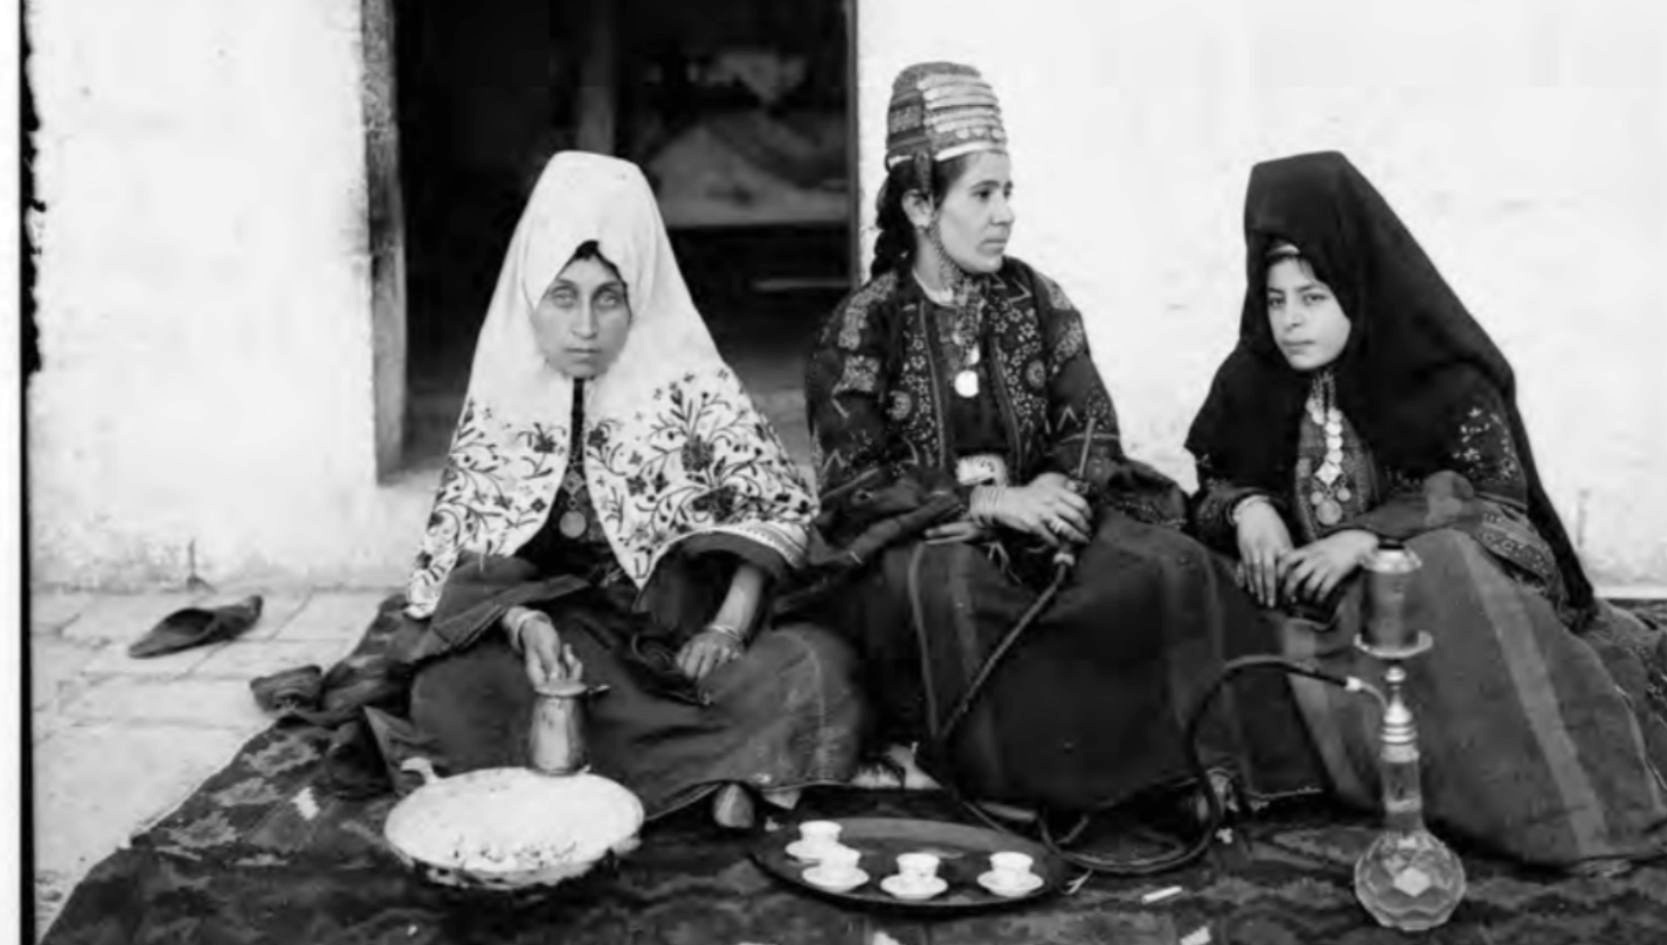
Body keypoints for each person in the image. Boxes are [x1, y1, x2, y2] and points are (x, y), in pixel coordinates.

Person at [1185, 151, 1667, 870]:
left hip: (1420, 615)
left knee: (1440, 569)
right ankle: (1295, 763)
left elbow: (1500, 505)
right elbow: (1209, 485)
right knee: (1190, 578)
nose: (1290, 321)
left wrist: (1365, 538)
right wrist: (1246, 508)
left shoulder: (1442, 375)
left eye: (1314, 296)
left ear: (1357, 281)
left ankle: (1562, 811)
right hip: (1311, 618)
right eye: (1276, 298)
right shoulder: (1250, 378)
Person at [795, 63, 1320, 825]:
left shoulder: (1037, 300)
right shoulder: (862, 327)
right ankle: (1010, 788)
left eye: (1009, 192)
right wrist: (989, 503)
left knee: (1173, 568)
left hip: (1050, 517)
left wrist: (1058, 497)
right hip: (929, 542)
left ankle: (1193, 771)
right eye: (982, 194)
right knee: (950, 593)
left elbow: (1089, 425)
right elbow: (853, 484)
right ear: (918, 203)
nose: (1005, 214)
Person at [400, 151, 867, 829]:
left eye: (608, 298)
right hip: (573, 643)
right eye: (564, 297)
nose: (585, 328)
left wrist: (727, 626)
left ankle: (642, 774)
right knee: (449, 690)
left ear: (640, 293)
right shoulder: (507, 398)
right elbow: (464, 560)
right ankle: (725, 775)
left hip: (688, 646)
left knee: (814, 664)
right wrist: (525, 624)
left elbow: (779, 514)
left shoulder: (693, 385)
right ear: (531, 291)